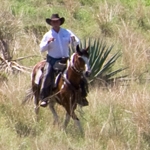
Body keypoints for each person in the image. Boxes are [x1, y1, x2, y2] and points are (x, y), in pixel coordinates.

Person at [39, 13, 89, 107]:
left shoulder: (67, 32)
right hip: (52, 60)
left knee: (79, 74)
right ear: (51, 23)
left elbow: (77, 43)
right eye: (53, 22)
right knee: (47, 75)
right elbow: (42, 49)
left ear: (60, 22)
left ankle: (82, 96)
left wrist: (73, 40)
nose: (55, 23)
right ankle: (44, 98)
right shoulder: (48, 35)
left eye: (57, 21)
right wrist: (48, 42)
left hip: (66, 59)